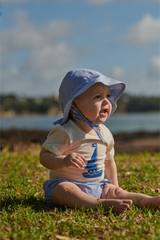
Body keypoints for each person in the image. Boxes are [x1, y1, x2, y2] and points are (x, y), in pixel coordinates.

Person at [40, 68, 160, 214]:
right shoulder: (66, 132)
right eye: (97, 97)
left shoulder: (105, 133)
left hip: (98, 185)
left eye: (108, 96)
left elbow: (109, 163)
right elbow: (45, 156)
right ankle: (98, 205)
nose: (106, 101)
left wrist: (115, 188)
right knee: (64, 191)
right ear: (73, 105)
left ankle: (149, 201)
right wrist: (64, 161)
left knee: (118, 192)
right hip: (69, 183)